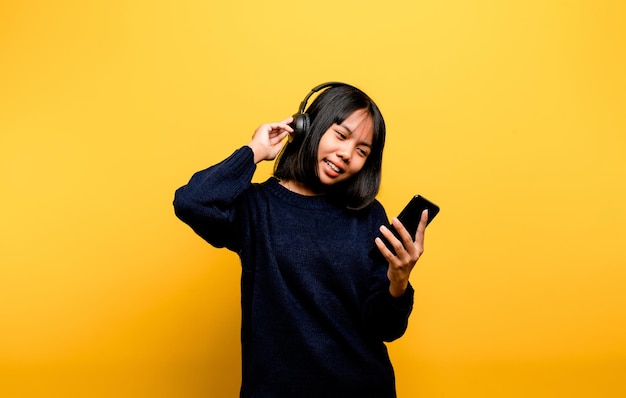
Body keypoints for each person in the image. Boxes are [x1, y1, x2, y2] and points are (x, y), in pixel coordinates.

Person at [173, 82, 429, 398]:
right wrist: (254, 151)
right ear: (310, 127)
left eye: (362, 150)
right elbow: (191, 202)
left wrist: (398, 282)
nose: (347, 154)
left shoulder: (368, 214)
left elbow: (386, 329)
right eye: (341, 135)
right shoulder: (257, 208)